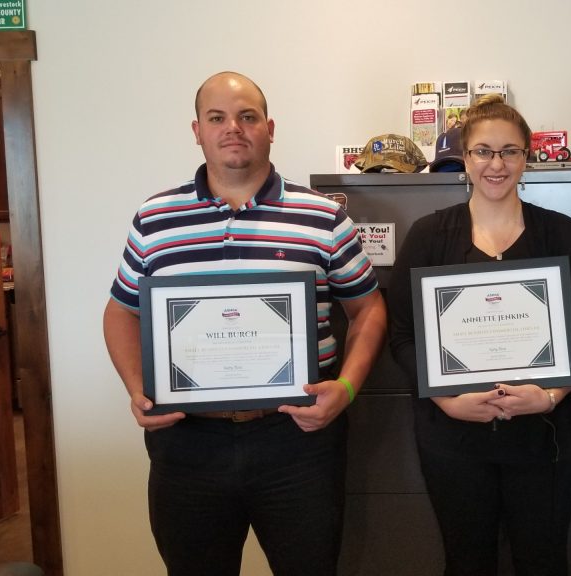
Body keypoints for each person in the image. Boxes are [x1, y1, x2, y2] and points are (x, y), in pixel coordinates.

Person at [102, 71, 386, 576]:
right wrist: (138, 388)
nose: (233, 128)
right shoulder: (155, 218)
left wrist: (345, 388)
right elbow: (121, 310)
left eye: (247, 116)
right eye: (217, 118)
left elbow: (367, 307)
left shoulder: (321, 216)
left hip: (296, 439)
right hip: (188, 443)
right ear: (197, 130)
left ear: (270, 128)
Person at [387, 94, 571, 576]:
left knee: (543, 561)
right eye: (483, 151)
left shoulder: (562, 234)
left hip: (545, 440)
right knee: (466, 562)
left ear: (526, 158)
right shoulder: (429, 236)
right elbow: (401, 335)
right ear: (465, 158)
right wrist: (444, 398)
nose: (496, 163)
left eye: (510, 151)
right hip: (453, 438)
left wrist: (551, 395)